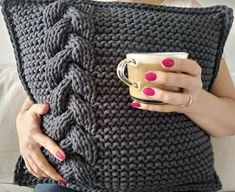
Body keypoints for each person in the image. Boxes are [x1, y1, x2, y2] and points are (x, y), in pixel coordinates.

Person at [15, 0, 235, 191]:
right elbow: (38, 101)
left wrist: (193, 101)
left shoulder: (190, 13)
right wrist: (23, 127)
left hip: (176, 181)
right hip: (68, 180)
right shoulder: (62, 15)